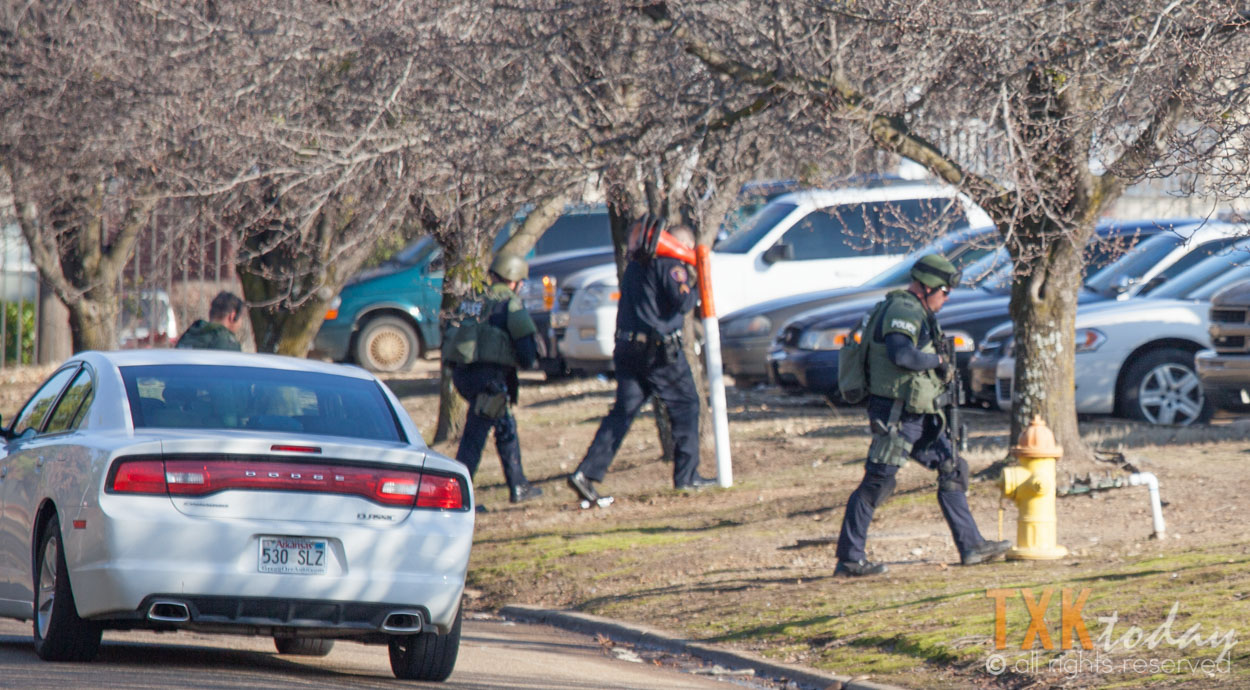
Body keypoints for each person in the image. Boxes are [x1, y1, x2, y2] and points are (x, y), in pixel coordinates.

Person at [834, 254, 1009, 576]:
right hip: (897, 414)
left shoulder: (915, 310)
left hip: (917, 413)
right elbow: (901, 355)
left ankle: (971, 546)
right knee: (877, 482)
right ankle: (849, 559)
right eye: (944, 291)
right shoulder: (903, 310)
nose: (947, 298)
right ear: (927, 287)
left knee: (952, 467)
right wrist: (938, 362)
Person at [567, 223, 714, 504]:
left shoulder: (636, 265)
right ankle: (687, 477)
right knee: (687, 404)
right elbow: (684, 303)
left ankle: (586, 473)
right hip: (657, 354)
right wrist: (698, 280)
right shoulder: (672, 266)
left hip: (627, 349)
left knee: (623, 412)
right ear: (684, 246)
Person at [443, 252, 543, 505]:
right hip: (489, 380)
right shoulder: (508, 304)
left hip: (464, 376)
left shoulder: (472, 300)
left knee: (504, 426)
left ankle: (518, 484)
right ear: (514, 280)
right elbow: (527, 350)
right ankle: (456, 496)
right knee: (475, 436)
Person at [175, 291, 246, 351]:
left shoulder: (192, 332)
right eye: (241, 318)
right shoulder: (227, 343)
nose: (241, 323)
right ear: (232, 316)